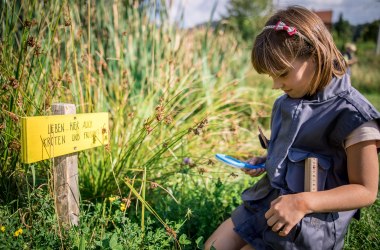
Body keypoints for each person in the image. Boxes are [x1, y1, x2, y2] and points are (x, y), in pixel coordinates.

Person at [205, 6, 380, 250]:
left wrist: (303, 202)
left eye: (283, 73)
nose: (276, 85)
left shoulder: (353, 116)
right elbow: (293, 151)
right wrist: (267, 159)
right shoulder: (288, 102)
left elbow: (365, 191)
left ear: (315, 55)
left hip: (307, 222)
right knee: (213, 246)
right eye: (271, 76)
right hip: (268, 203)